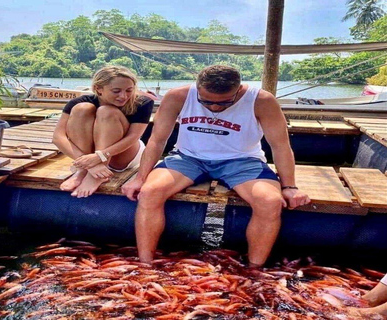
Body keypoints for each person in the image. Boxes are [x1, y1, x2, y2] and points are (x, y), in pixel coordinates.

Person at [122, 65, 310, 267]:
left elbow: (280, 145)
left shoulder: (261, 100)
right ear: (197, 88)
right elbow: (157, 140)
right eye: (207, 101)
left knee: (270, 201)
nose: (215, 108)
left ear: (238, 90)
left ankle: (254, 270)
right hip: (188, 157)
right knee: (150, 192)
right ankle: (146, 264)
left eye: (224, 103)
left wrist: (289, 187)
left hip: (242, 160)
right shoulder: (178, 96)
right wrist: (140, 178)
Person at [53, 66, 154, 198]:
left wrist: (100, 157)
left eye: (129, 90)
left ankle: (96, 177)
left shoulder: (142, 103)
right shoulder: (78, 102)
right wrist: (88, 164)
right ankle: (83, 171)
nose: (123, 96)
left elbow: (133, 137)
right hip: (91, 158)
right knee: (81, 109)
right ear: (98, 89)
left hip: (125, 154)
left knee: (106, 111)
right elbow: (58, 137)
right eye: (116, 91)